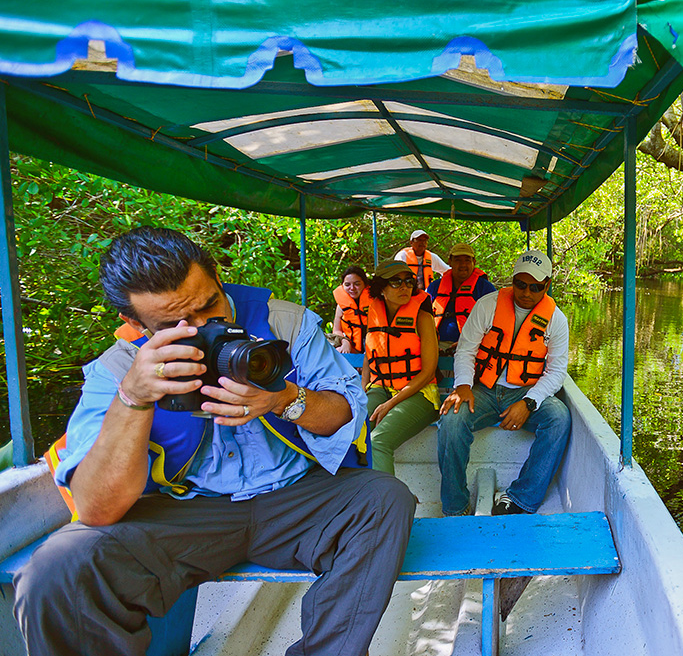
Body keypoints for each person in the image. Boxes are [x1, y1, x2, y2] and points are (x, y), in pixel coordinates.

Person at [13, 227, 414, 656]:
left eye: (210, 305)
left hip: (299, 499)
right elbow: (95, 509)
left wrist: (284, 398)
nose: (206, 329)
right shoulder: (119, 368)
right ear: (135, 324)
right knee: (59, 569)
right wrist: (134, 397)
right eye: (177, 325)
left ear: (217, 277)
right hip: (187, 511)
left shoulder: (283, 321)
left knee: (384, 496)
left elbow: (344, 414)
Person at [438, 250, 570, 516]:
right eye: (520, 284)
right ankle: (455, 506)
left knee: (559, 418)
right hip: (482, 390)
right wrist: (463, 385)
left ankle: (521, 498)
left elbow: (556, 371)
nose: (526, 292)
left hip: (523, 391)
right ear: (512, 281)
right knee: (451, 420)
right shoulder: (488, 305)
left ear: (546, 285)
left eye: (535, 287)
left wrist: (529, 402)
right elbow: (465, 351)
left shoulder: (556, 319)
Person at [363, 260, 440, 475]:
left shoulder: (422, 317)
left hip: (421, 393)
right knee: (353, 430)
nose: (404, 287)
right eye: (396, 282)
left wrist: (390, 404)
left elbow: (429, 371)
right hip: (381, 388)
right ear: (381, 289)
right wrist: (363, 389)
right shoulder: (374, 314)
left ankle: (387, 504)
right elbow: (369, 353)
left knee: (378, 441)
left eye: (408, 282)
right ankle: (358, 493)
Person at [426, 242, 497, 353]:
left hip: (472, 345)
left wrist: (469, 343)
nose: (463, 264)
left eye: (467, 260)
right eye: (458, 260)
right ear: (450, 262)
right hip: (436, 345)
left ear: (474, 262)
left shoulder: (484, 288)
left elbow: (495, 322)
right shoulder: (435, 287)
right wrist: (430, 342)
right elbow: (423, 317)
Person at [332, 264, 369, 355]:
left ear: (364, 284)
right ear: (342, 286)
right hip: (349, 347)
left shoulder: (375, 303)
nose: (352, 288)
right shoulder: (341, 306)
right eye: (347, 285)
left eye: (357, 284)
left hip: (371, 348)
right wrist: (345, 342)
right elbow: (337, 330)